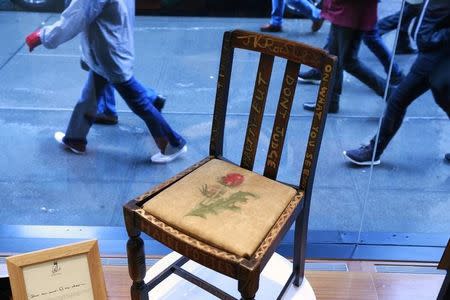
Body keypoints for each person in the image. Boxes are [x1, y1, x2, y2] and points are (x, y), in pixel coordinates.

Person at [25, 0, 187, 163]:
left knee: (137, 101)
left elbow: (74, 19)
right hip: (111, 47)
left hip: (107, 53)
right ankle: (75, 139)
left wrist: (41, 36)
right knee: (90, 96)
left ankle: (173, 143)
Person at [343, 0, 450, 166]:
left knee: (398, 100)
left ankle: (374, 151)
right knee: (443, 100)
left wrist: (436, 39)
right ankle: (373, 151)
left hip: (435, 55)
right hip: (432, 51)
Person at [302, 0, 389, 114]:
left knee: (348, 61)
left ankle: (390, 93)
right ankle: (330, 102)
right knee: (333, 57)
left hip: (351, 9)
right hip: (342, 8)